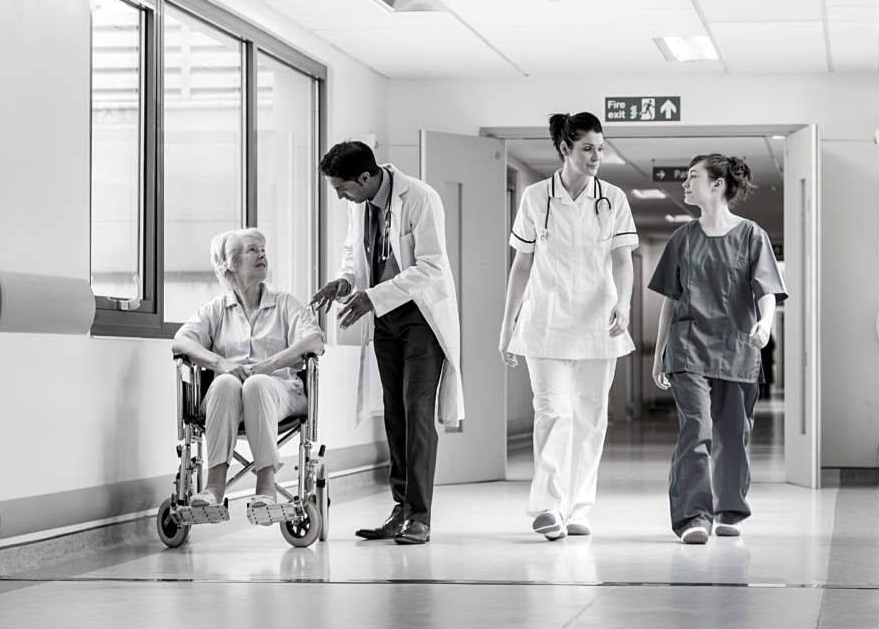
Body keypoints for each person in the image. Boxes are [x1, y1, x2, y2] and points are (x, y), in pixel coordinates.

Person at [309, 141, 463, 545]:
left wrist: (372, 297)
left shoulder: (421, 198)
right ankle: (401, 509)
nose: (341, 196)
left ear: (365, 177)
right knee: (394, 414)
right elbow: (353, 250)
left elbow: (431, 266)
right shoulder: (359, 204)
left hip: (421, 318)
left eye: (343, 188)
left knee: (416, 413)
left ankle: (421, 516)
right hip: (384, 319)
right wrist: (344, 279)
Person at [499, 112, 638, 541]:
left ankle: (579, 508)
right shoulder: (535, 197)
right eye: (587, 148)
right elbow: (521, 265)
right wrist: (508, 324)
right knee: (554, 412)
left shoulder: (612, 198)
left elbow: (621, 259)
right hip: (545, 323)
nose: (597, 156)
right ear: (564, 149)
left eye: (600, 148)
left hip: (599, 322)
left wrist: (625, 303)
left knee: (591, 419)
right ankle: (548, 506)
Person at [648, 153, 787, 545]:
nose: (685, 184)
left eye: (692, 177)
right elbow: (670, 301)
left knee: (732, 433)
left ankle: (729, 510)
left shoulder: (751, 235)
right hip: (688, 347)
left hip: (736, 346)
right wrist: (660, 351)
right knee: (697, 426)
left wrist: (765, 323)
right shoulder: (682, 238)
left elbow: (767, 291)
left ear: (717, 185)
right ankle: (693, 516)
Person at [172, 228, 324, 520]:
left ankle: (265, 485)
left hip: (281, 395)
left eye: (263, 249)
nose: (262, 254)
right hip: (226, 402)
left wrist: (269, 365)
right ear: (230, 263)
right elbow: (181, 341)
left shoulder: (285, 304)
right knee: (227, 382)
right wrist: (221, 364)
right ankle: (213, 486)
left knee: (256, 383)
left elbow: (314, 340)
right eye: (253, 250)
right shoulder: (215, 310)